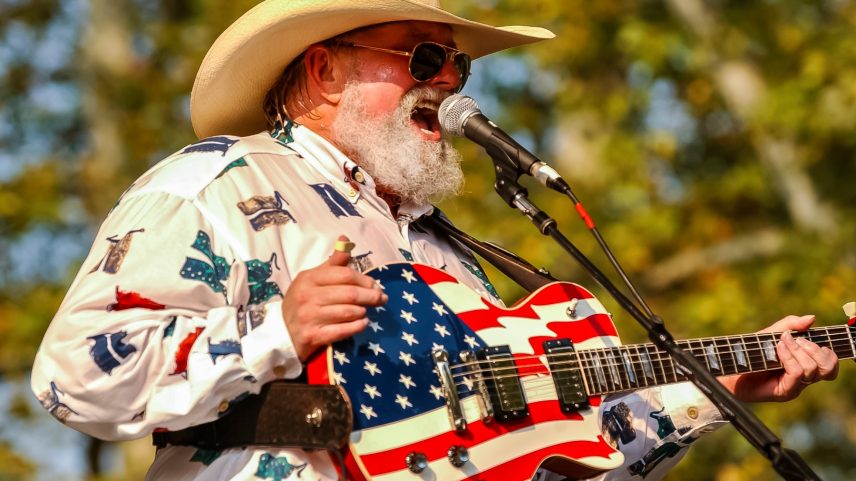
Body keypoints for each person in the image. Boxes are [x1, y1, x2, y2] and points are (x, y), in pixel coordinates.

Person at [31, 1, 839, 480]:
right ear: (324, 72)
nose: (449, 81)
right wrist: (273, 330)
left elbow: (540, 452)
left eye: (458, 67)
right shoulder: (221, 181)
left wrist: (716, 386)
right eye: (424, 57)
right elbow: (72, 373)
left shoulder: (447, 252)